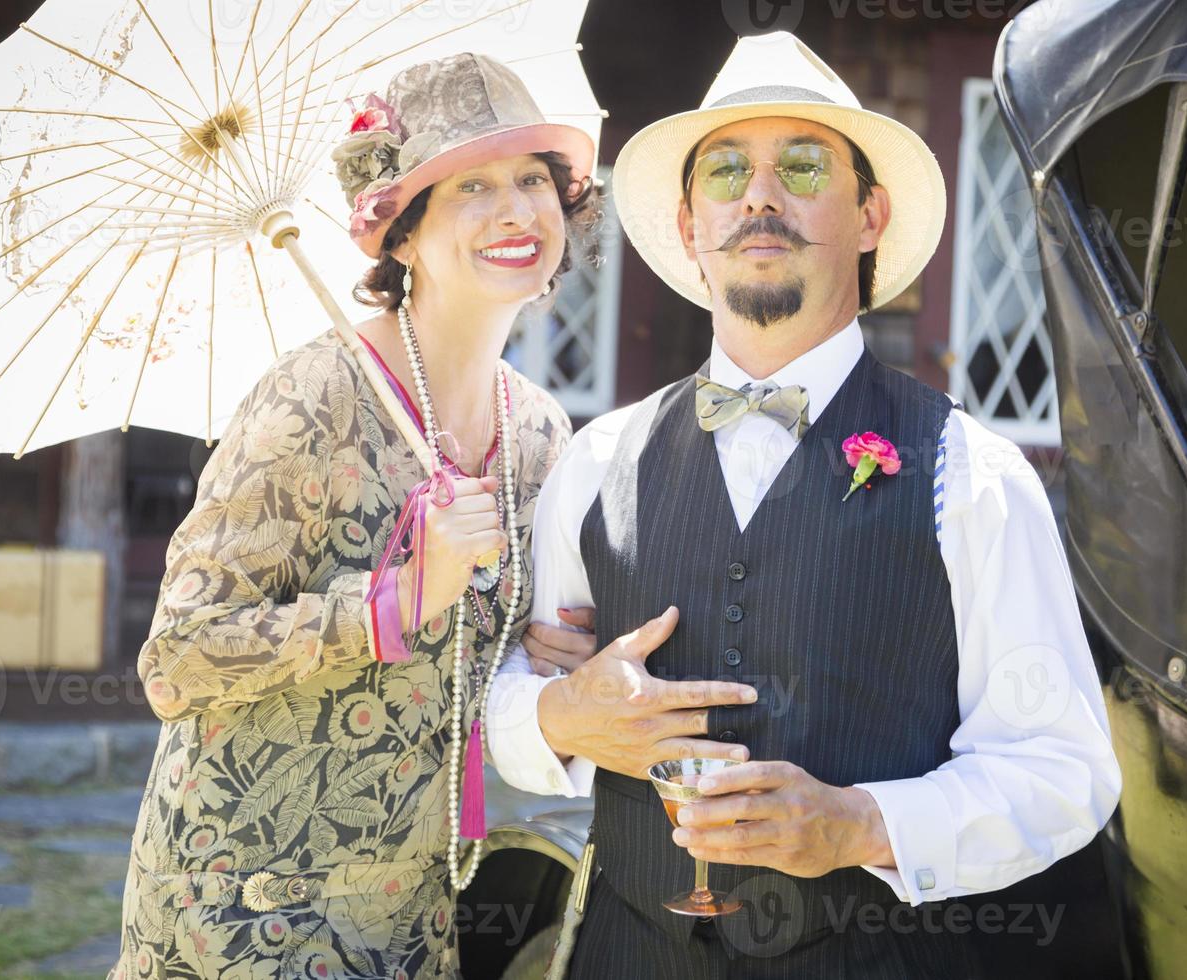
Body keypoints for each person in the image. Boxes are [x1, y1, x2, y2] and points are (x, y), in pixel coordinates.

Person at [486, 31, 1122, 978]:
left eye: (801, 165)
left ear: (869, 214)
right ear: (690, 218)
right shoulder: (594, 464)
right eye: (729, 170)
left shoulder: (973, 475)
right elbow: (509, 697)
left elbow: (1065, 771)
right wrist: (554, 722)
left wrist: (862, 823)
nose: (759, 195)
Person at [108, 52, 598, 980]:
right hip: (241, 898)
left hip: (413, 907)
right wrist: (390, 603)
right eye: (472, 186)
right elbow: (175, 661)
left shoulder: (538, 431)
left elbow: (472, 661)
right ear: (401, 236)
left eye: (534, 178)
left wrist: (538, 655)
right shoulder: (314, 396)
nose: (516, 210)